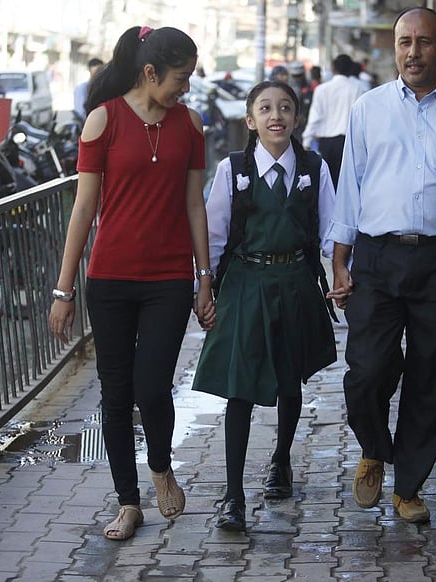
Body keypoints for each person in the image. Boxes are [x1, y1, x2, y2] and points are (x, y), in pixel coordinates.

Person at [326, 7, 436, 524]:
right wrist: (339, 259)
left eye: (424, 42)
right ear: (395, 48)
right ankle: (374, 447)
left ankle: (408, 487)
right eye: (405, 42)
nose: (413, 52)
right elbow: (350, 188)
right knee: (367, 369)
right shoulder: (368, 109)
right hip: (378, 256)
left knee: (433, 374)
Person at [48, 25, 214, 542]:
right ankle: (128, 502)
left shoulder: (191, 124)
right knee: (116, 395)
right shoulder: (104, 120)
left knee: (153, 386)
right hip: (110, 280)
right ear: (150, 72)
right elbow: (83, 209)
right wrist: (63, 290)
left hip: (169, 279)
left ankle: (160, 465)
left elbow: (195, 204)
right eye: (180, 77)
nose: (186, 87)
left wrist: (204, 278)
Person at [194, 80, 337, 532]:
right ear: (250, 120)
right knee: (239, 386)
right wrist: (203, 288)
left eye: (285, 107)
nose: (276, 116)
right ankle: (233, 495)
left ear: (297, 117)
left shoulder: (314, 167)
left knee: (290, 378)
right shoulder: (232, 169)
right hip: (245, 283)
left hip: (295, 281)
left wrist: (345, 274)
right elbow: (215, 234)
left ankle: (281, 460)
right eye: (265, 108)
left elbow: (332, 228)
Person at [301, 54, 365, 190]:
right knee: (345, 185)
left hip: (326, 143)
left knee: (325, 185)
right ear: (350, 69)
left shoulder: (321, 89)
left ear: (333, 68)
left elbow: (315, 117)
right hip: (348, 143)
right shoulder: (358, 89)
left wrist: (306, 140)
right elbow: (362, 120)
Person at [73, 58, 105, 123]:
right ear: (90, 71)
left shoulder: (103, 87)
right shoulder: (82, 88)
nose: (98, 74)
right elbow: (80, 112)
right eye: (96, 71)